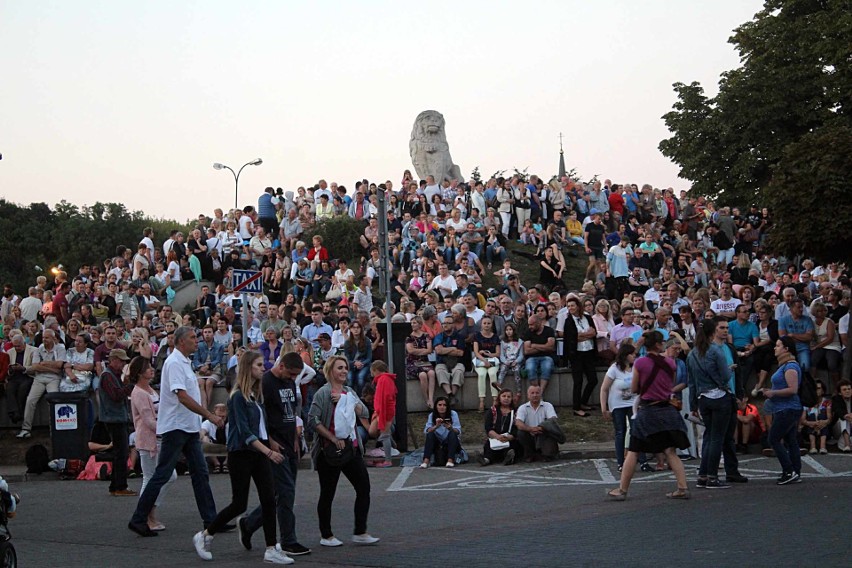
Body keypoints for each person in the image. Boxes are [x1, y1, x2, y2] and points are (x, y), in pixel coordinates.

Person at [192, 351, 293, 564]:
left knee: (268, 499)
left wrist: (270, 444)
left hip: (258, 452)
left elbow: (260, 428)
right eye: (258, 365)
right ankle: (205, 535)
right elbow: (245, 432)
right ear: (248, 368)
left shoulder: (255, 396)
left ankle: (271, 548)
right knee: (239, 504)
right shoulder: (237, 397)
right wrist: (268, 451)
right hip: (242, 454)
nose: (262, 368)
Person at [128, 326, 224, 538]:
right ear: (181, 342)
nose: (195, 341)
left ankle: (212, 520)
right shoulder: (174, 363)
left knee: (200, 473)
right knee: (162, 474)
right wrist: (209, 415)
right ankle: (138, 518)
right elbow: (181, 396)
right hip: (176, 427)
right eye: (192, 338)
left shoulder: (184, 362)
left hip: (187, 426)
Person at [240, 352, 311, 557]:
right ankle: (289, 540)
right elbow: (261, 415)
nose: (292, 378)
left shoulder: (289, 382)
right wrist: (270, 442)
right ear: (281, 367)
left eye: (296, 375)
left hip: (290, 443)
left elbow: (291, 410)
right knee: (286, 492)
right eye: (290, 374)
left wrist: (297, 439)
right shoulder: (266, 383)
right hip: (275, 446)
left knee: (281, 494)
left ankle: (249, 523)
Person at [607, 331, 691, 501]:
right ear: (659, 345)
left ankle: (622, 490)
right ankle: (682, 487)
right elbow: (670, 384)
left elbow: (635, 388)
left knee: (633, 450)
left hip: (648, 410)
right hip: (667, 410)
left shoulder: (640, 363)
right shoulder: (670, 363)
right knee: (670, 451)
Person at [309, 356, 379, 547]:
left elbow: (364, 412)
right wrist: (332, 439)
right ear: (330, 370)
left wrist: (347, 400)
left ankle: (360, 531)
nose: (344, 371)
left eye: (346, 368)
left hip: (351, 448)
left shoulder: (349, 392)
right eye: (340, 368)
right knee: (328, 493)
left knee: (364, 487)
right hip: (329, 451)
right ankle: (326, 535)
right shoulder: (322, 394)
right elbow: (313, 420)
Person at [687, 318, 747, 489]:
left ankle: (703, 475)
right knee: (717, 438)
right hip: (719, 397)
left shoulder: (692, 353)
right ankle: (712, 477)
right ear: (712, 332)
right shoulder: (715, 351)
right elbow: (726, 376)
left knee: (708, 437)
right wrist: (730, 369)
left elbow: (691, 382)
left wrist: (693, 405)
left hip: (702, 398)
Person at [130, 356, 176, 531]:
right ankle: (146, 515)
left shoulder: (149, 389)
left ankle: (149, 512)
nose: (152, 370)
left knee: (164, 476)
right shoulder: (139, 393)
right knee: (150, 477)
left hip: (158, 439)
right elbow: (149, 420)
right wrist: (169, 429)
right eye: (148, 368)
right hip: (148, 440)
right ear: (140, 372)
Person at [763, 337, 804, 485]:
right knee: (790, 440)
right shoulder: (785, 365)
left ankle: (789, 470)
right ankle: (795, 471)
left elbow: (793, 389)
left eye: (778, 345)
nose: (775, 348)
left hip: (787, 408)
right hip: (786, 408)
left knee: (773, 439)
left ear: (786, 349)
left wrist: (773, 393)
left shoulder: (790, 366)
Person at [17, 329, 65, 439]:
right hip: (39, 378)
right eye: (43, 337)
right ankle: (26, 429)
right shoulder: (39, 349)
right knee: (30, 400)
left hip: (54, 379)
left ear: (53, 338)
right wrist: (52, 368)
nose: (44, 340)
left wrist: (44, 364)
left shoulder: (60, 348)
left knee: (53, 401)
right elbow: (35, 366)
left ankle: (54, 429)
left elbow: (59, 365)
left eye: (47, 338)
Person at [600, 344, 637, 472]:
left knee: (636, 431)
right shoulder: (614, 369)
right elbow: (604, 389)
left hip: (632, 403)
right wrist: (604, 407)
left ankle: (640, 460)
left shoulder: (635, 368)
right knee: (620, 432)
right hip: (618, 405)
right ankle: (621, 462)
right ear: (625, 355)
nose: (634, 356)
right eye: (632, 354)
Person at [563, 297, 597, 417]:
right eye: (568, 306)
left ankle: (583, 401)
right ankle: (576, 407)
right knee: (578, 381)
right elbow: (571, 338)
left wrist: (582, 335)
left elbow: (594, 333)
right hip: (576, 354)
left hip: (589, 351)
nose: (570, 308)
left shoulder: (587, 318)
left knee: (593, 379)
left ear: (578, 306)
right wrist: (586, 335)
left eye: (572, 305)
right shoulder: (568, 321)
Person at [514, 384, 560, 462]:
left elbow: (553, 420)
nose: (535, 395)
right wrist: (530, 429)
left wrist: (541, 428)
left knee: (549, 455)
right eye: (532, 393)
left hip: (544, 434)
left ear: (541, 394)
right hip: (530, 435)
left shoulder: (548, 406)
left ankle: (544, 454)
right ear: (528, 395)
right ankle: (530, 454)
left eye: (537, 393)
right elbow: (518, 423)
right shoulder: (523, 408)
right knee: (520, 433)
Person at [477, 388, 519, 466]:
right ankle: (486, 460)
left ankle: (509, 458)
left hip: (509, 438)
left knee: (512, 447)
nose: (506, 398)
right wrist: (497, 436)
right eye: (504, 396)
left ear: (511, 399)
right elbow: (488, 427)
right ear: (499, 398)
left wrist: (510, 437)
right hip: (495, 437)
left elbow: (517, 427)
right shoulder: (493, 410)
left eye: (508, 397)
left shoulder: (516, 411)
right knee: (489, 445)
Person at [368, 361, 397, 468]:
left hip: (384, 411)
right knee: (372, 431)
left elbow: (384, 398)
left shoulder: (384, 380)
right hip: (381, 410)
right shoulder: (383, 379)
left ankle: (388, 460)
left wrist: (381, 414)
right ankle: (392, 443)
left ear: (376, 370)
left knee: (384, 434)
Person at [420, 396, 462, 468]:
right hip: (437, 442)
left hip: (450, 442)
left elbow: (458, 431)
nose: (442, 407)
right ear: (436, 406)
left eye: (444, 405)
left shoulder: (453, 414)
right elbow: (426, 431)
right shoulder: (432, 415)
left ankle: (450, 460)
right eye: (439, 405)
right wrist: (436, 426)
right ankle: (426, 461)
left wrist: (450, 428)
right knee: (430, 435)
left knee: (452, 434)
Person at [405, 316, 435, 409]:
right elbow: (410, 351)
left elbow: (430, 350)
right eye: (411, 323)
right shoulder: (409, 336)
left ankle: (431, 398)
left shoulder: (426, 336)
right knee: (422, 375)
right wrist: (423, 350)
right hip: (413, 362)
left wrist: (417, 350)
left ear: (420, 324)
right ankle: (426, 399)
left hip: (425, 361)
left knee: (431, 373)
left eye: (414, 323)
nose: (412, 325)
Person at [473, 315, 501, 412]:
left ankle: (495, 400)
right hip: (480, 361)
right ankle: (481, 400)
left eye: (488, 323)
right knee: (481, 374)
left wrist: (488, 355)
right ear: (481, 324)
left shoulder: (495, 337)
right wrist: (484, 360)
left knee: (492, 374)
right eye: (484, 323)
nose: (486, 325)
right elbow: (476, 352)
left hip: (492, 360)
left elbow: (498, 353)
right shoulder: (477, 335)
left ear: (491, 324)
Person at [801, 380, 831, 455]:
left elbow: (829, 418)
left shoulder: (827, 402)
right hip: (809, 428)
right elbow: (803, 420)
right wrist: (813, 423)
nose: (816, 390)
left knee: (822, 416)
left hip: (824, 427)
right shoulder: (806, 402)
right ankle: (812, 446)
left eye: (818, 388)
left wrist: (822, 422)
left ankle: (822, 446)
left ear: (823, 391)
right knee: (812, 416)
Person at [343, 320, 372, 394]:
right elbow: (346, 359)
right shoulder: (347, 342)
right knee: (349, 378)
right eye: (353, 327)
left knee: (360, 377)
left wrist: (361, 364)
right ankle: (350, 397)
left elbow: (369, 358)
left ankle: (361, 397)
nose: (356, 329)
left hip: (364, 364)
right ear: (350, 329)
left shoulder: (367, 340)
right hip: (351, 365)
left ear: (361, 329)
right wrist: (354, 363)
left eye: (358, 327)